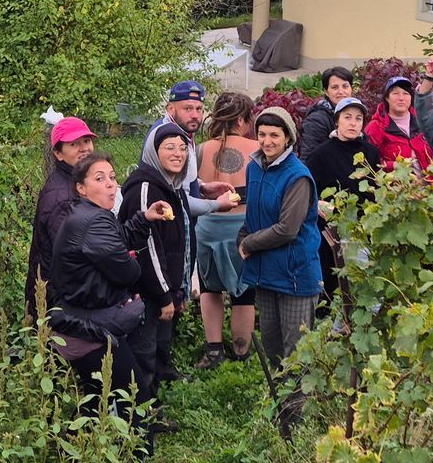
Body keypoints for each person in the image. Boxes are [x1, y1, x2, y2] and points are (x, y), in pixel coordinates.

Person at [49, 153, 174, 463]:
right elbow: (127, 269)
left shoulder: (88, 217)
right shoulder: (93, 221)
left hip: (74, 325)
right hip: (90, 331)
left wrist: (143, 219)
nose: (110, 184)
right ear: (81, 188)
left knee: (95, 399)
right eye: (100, 178)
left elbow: (117, 239)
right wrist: (131, 270)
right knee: (136, 394)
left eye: (112, 177)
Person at [239, 106, 324, 425]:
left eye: (274, 135)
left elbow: (288, 229)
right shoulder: (254, 168)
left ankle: (296, 418)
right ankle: (278, 408)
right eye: (261, 134)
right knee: (273, 344)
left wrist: (249, 244)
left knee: (296, 352)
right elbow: (252, 215)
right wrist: (242, 236)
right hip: (266, 273)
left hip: (294, 275)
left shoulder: (297, 176)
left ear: (288, 137)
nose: (267, 140)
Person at [193, 91, 260, 368]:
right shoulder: (257, 148)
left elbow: (194, 189)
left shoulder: (201, 149)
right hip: (243, 228)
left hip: (209, 227)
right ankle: (241, 352)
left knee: (210, 289)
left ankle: (213, 351)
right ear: (244, 119)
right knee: (244, 293)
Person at [123, 123, 191, 389]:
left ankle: (157, 400)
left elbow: (180, 242)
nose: (178, 154)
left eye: (183, 148)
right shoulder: (145, 188)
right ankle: (141, 417)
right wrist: (164, 294)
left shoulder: (171, 187)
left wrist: (178, 290)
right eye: (169, 148)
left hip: (164, 287)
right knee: (143, 353)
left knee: (159, 348)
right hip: (145, 291)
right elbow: (146, 246)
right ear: (153, 151)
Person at [306, 97, 379, 304]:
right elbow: (306, 189)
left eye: (358, 118)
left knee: (364, 287)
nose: (353, 123)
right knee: (335, 286)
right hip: (331, 232)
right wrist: (317, 203)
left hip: (363, 230)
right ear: (337, 120)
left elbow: (377, 189)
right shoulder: (321, 154)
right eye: (347, 117)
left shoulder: (371, 152)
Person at [27, 116, 96, 321]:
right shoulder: (62, 197)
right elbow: (71, 256)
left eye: (86, 141)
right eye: (74, 144)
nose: (84, 148)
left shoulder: (77, 182)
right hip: (58, 303)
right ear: (58, 153)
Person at [139, 80, 234, 224]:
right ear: (170, 109)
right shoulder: (166, 138)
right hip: (168, 227)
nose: (195, 115)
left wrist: (201, 187)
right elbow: (175, 199)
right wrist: (216, 205)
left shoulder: (182, 131)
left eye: (199, 109)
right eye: (188, 109)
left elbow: (178, 182)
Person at [366, 75, 433, 171]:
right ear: (387, 98)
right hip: (397, 184)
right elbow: (369, 162)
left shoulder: (422, 122)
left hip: (429, 183)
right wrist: (393, 165)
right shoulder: (376, 127)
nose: (401, 98)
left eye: (406, 93)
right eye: (395, 93)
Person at [296, 66, 356, 160]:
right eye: (334, 87)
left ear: (351, 88)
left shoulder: (356, 113)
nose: (341, 91)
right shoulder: (316, 120)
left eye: (345, 86)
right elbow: (310, 157)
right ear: (326, 92)